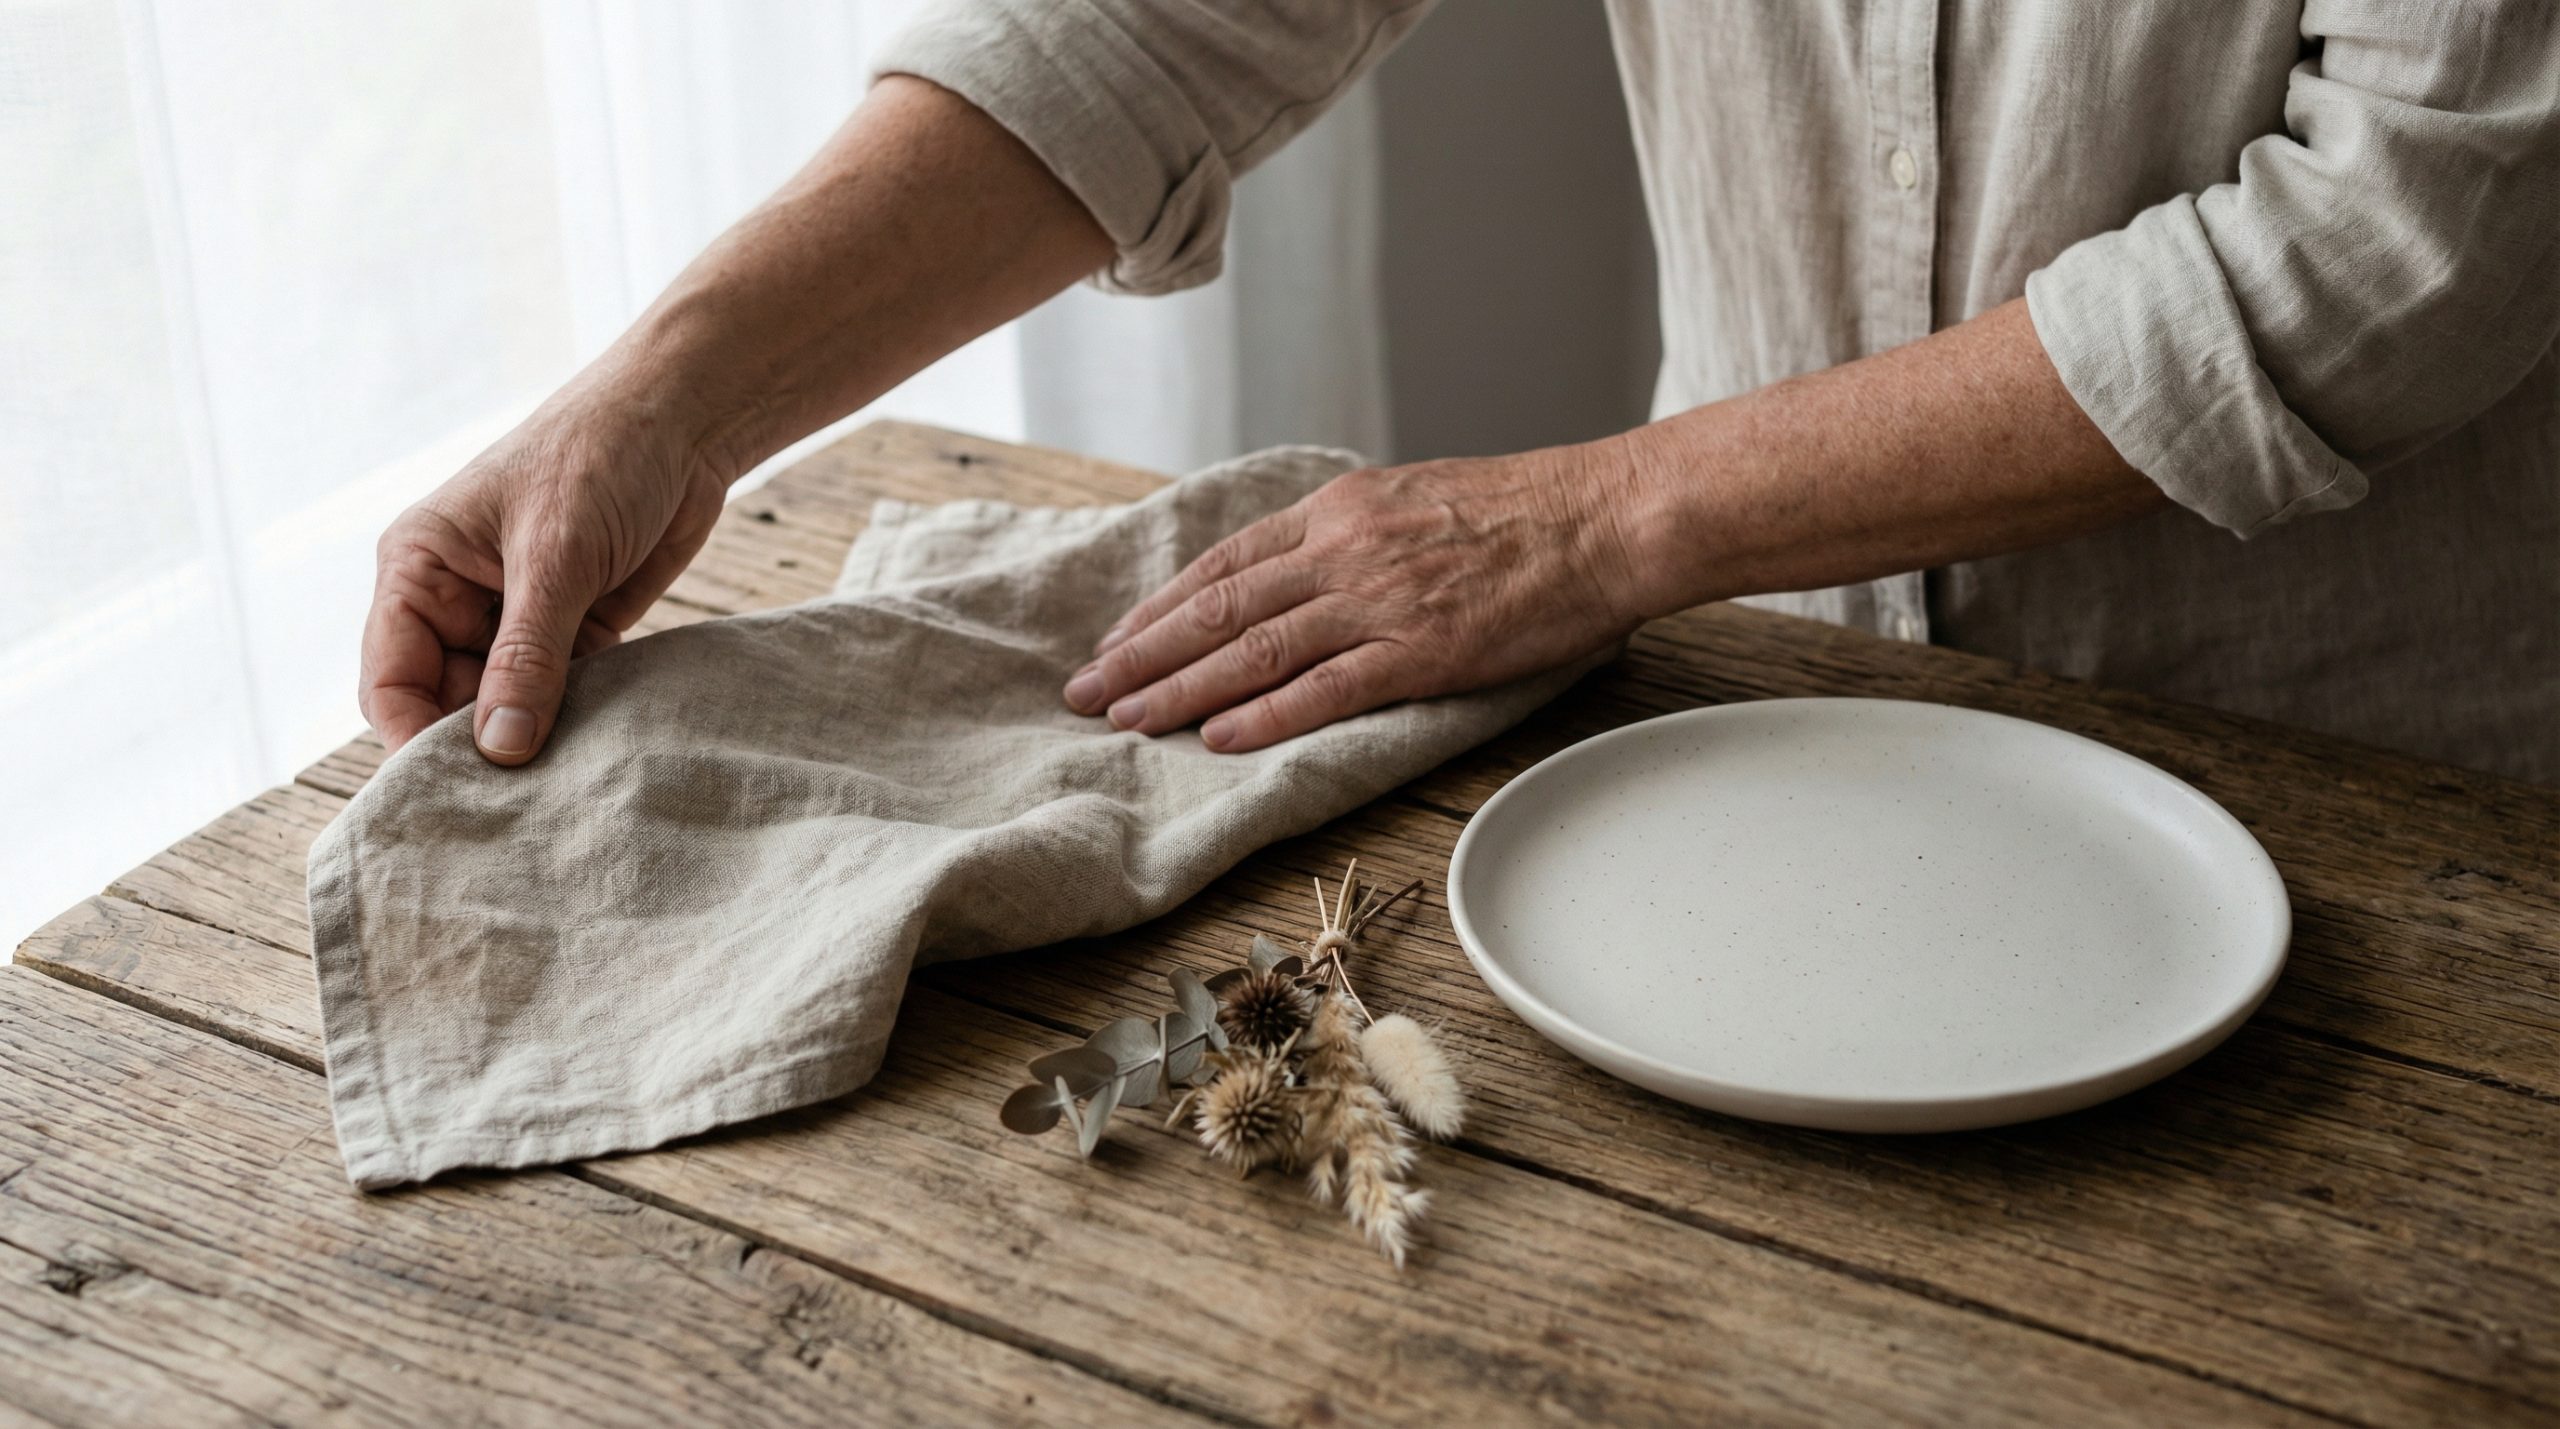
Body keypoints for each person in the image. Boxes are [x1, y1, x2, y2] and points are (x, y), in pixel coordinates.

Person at [361, 2, 2560, 783]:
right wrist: (666, 389)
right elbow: (1170, 14)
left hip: (2391, 774)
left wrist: (1596, 523)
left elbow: (2395, 246)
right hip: (1760, 706)